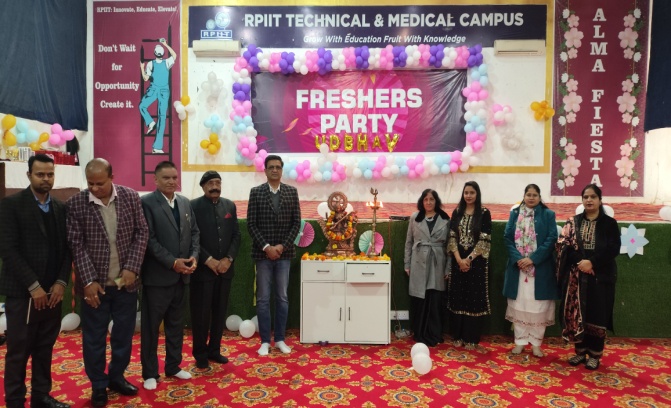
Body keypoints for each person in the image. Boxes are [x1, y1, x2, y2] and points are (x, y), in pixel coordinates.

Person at [66, 158, 149, 407]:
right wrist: (89, 280)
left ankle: (116, 377)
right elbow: (76, 245)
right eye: (90, 183)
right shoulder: (76, 203)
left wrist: (132, 268)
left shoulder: (130, 197)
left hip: (125, 284)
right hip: (95, 287)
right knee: (94, 338)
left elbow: (141, 232)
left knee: (123, 335)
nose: (94, 188)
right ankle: (98, 384)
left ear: (112, 177)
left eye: (99, 183)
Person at [0, 154, 71, 408]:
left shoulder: (61, 208)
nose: (46, 179)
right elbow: (8, 250)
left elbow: (68, 250)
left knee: (44, 348)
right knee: (18, 351)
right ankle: (15, 401)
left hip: (52, 293)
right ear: (29, 175)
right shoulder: (11, 205)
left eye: (50, 174)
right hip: (23, 293)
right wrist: (34, 287)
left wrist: (61, 283)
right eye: (40, 174)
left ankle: (41, 396)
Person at [140, 161, 200, 389]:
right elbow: (149, 240)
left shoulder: (184, 202)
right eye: (166, 178)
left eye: (174, 177)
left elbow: (194, 233)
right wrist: (173, 262)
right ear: (155, 180)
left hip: (182, 277)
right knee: (151, 328)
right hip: (157, 278)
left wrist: (193, 257)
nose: (172, 181)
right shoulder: (146, 203)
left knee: (176, 325)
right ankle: (150, 373)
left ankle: (173, 366)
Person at [556, 184, 620, 370]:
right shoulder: (573, 222)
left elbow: (613, 249)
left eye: (593, 197)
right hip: (578, 277)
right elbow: (564, 246)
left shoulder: (609, 223)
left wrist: (592, 263)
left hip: (601, 277)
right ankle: (580, 352)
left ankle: (595, 355)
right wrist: (581, 263)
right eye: (586, 197)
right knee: (579, 314)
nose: (589, 200)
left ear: (600, 200)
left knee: (598, 314)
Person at [247, 155, 301, 356]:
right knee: (263, 299)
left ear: (282, 170)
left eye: (278, 167)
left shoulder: (291, 192)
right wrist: (267, 247)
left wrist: (281, 247)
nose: (275, 170)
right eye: (271, 167)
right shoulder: (256, 192)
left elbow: (296, 223)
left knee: (282, 298)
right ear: (265, 170)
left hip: (284, 255)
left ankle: (279, 339)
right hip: (263, 255)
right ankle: (264, 341)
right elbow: (251, 224)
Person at [190, 171, 241, 369]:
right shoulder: (193, 206)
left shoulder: (229, 206)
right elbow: (192, 237)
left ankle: (214, 350)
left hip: (225, 270)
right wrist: (208, 260)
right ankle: (200, 353)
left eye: (218, 183)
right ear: (203, 186)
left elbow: (236, 235)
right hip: (203, 271)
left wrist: (228, 259)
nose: (215, 186)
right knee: (201, 315)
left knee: (220, 313)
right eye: (210, 183)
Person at [502, 184, 558, 357]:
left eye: (535, 195)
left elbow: (551, 238)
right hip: (518, 269)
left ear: (540, 197)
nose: (531, 198)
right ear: (524, 196)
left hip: (540, 269)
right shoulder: (515, 213)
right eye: (528, 194)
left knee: (538, 307)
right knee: (520, 304)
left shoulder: (548, 215)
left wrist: (533, 259)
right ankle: (520, 341)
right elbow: (507, 238)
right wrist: (519, 259)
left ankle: (536, 344)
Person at [447, 181, 492, 352]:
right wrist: (459, 260)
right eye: (466, 192)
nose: (468, 196)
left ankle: (471, 338)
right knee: (458, 296)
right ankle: (458, 336)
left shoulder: (484, 213)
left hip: (477, 263)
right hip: (458, 262)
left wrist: (469, 259)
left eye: (472, 192)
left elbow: (484, 239)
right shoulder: (457, 211)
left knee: (474, 298)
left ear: (477, 194)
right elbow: (452, 237)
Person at [404, 189, 450, 347]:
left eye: (432, 199)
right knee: (420, 299)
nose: (429, 202)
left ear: (436, 201)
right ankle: (420, 333)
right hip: (418, 261)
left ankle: (434, 333)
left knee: (435, 298)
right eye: (425, 199)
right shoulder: (415, 218)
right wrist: (407, 264)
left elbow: (450, 246)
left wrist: (448, 268)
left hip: (438, 262)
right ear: (421, 201)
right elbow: (409, 242)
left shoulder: (445, 219)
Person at [139, 38, 177, 154]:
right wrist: (165, 44)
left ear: (154, 53)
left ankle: (150, 122)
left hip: (154, 89)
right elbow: (174, 55)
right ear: (163, 54)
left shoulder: (150, 64)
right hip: (164, 91)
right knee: (162, 118)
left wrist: (142, 68)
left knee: (142, 106)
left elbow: (145, 78)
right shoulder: (167, 62)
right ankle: (157, 147)